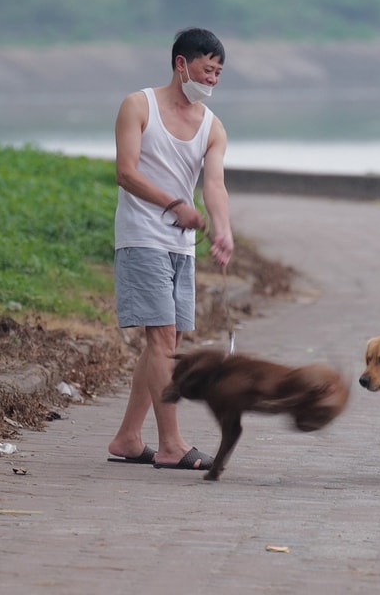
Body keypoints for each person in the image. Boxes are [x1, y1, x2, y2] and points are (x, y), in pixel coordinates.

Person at [106, 27, 234, 470]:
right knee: (162, 341)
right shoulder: (138, 105)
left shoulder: (212, 127)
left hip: (182, 247)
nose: (213, 79)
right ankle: (172, 445)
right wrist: (176, 204)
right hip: (142, 237)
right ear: (182, 64)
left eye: (219, 72)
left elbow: (214, 184)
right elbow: (125, 172)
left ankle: (127, 438)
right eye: (207, 69)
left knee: (167, 342)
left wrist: (222, 229)